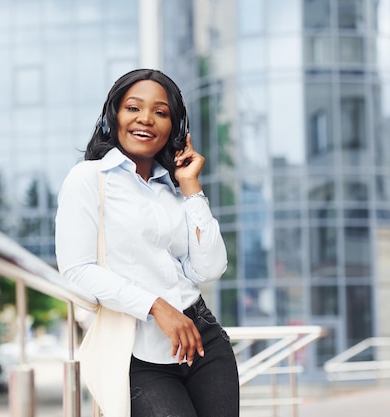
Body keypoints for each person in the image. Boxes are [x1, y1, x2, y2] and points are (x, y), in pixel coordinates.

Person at [55, 69, 240, 417]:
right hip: (137, 352)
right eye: (133, 108)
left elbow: (210, 267)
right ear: (115, 115)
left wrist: (190, 187)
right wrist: (157, 306)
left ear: (175, 128)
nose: (146, 119)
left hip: (203, 339)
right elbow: (76, 270)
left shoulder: (171, 190)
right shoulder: (88, 178)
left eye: (161, 112)